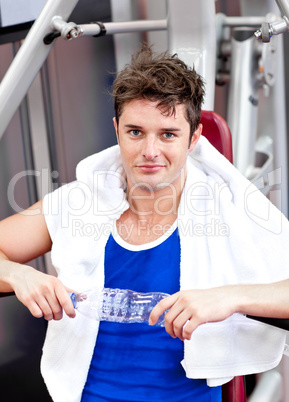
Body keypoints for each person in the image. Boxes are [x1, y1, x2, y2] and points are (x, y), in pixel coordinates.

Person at [0, 45, 289, 402]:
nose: (150, 151)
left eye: (168, 134)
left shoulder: (229, 208)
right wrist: (18, 274)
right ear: (117, 130)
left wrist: (229, 297)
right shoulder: (80, 203)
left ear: (194, 137)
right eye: (136, 132)